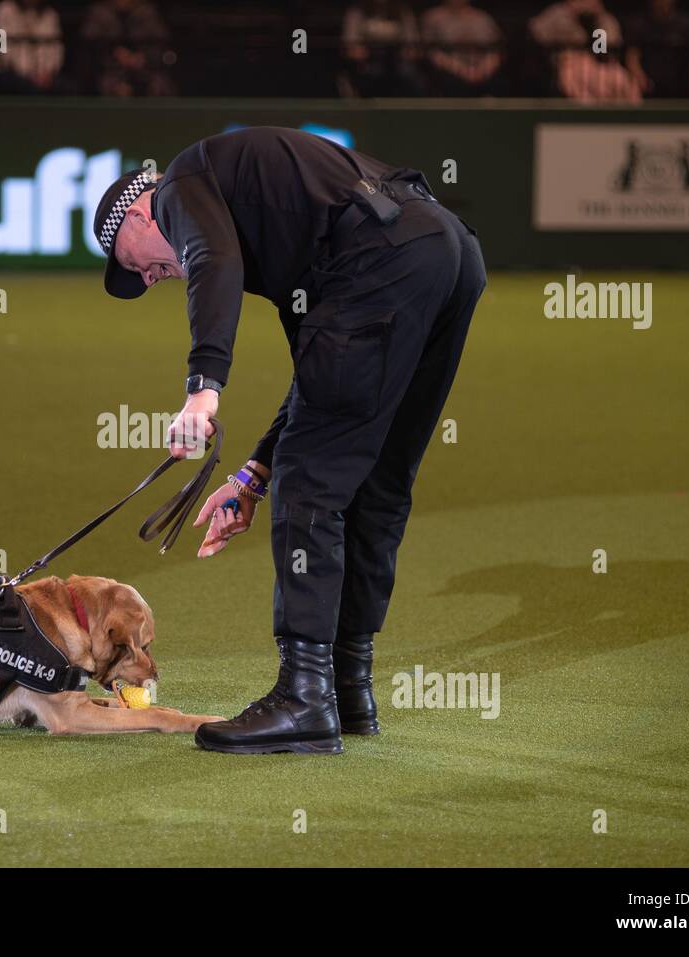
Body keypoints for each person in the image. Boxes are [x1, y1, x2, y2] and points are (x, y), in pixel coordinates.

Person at [92, 127, 485, 755]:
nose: (149, 277)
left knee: (312, 484)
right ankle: (345, 690)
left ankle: (304, 699)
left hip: (385, 262)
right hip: (449, 253)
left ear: (140, 212)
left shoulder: (180, 182)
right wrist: (253, 474)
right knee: (376, 478)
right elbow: (318, 380)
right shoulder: (283, 241)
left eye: (134, 261)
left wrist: (204, 385)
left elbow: (209, 262)